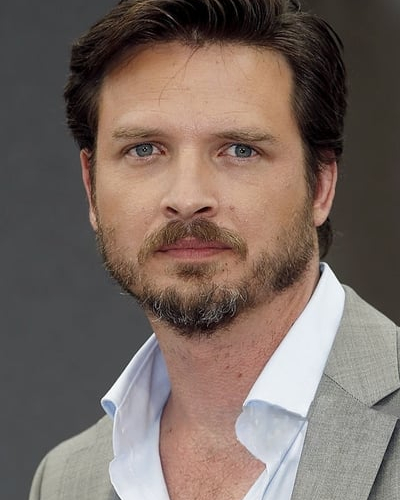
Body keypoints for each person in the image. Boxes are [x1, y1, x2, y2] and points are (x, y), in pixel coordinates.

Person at [29, 1, 400, 499]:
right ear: (91, 188)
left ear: (320, 187)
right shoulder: (64, 481)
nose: (187, 198)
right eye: (144, 149)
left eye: (240, 150)